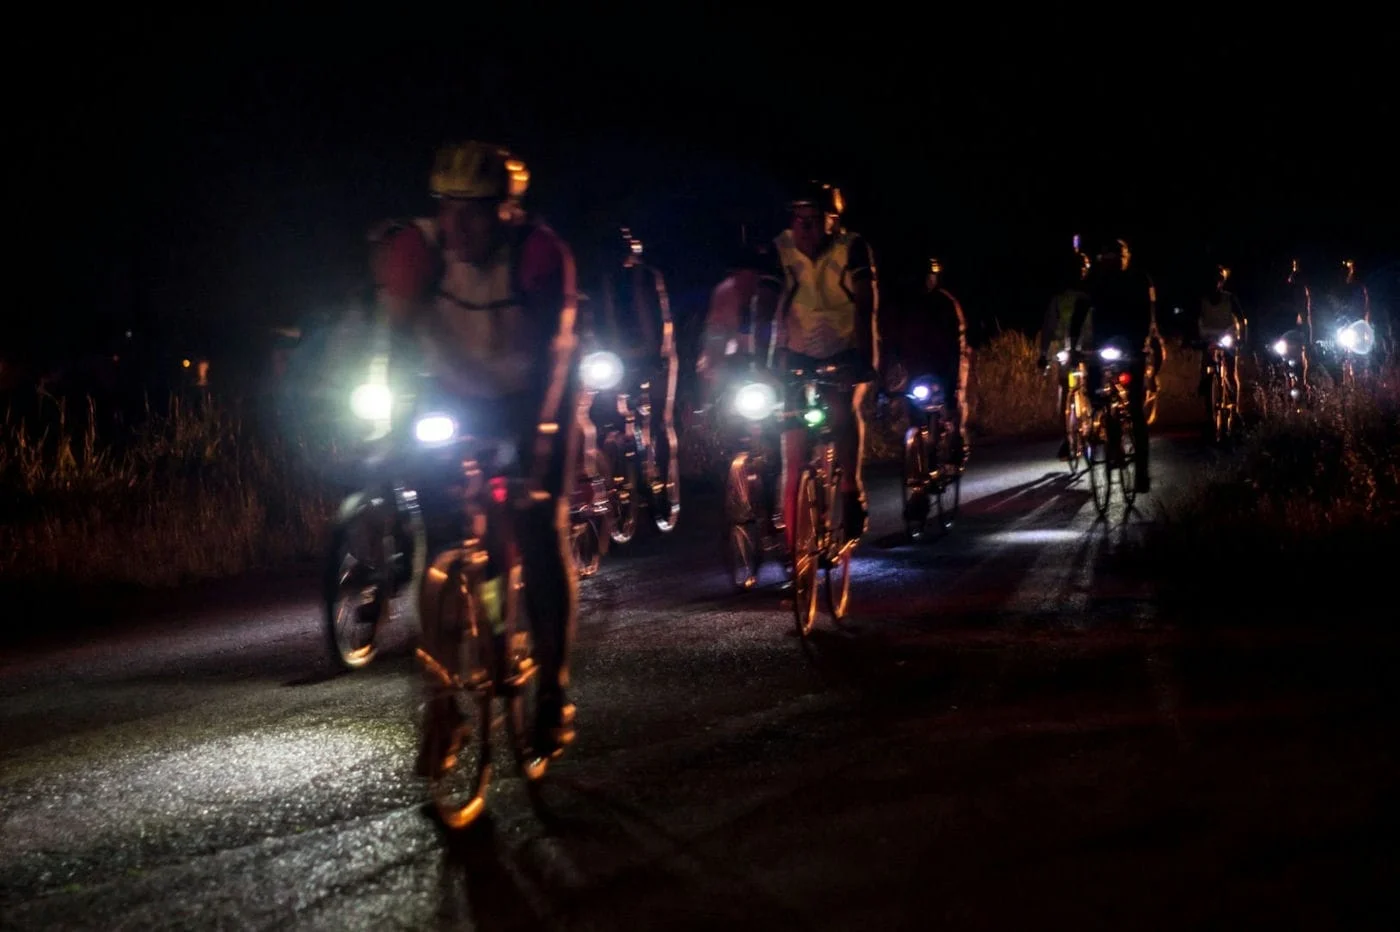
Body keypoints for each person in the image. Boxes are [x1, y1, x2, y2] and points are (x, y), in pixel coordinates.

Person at [375, 140, 579, 779]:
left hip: (528, 396)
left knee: (539, 530)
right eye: (447, 209)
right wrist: (384, 424)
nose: (458, 226)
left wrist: (540, 441)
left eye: (474, 212)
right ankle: (443, 706)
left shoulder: (540, 254)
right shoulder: (418, 250)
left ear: (506, 213)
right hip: (450, 393)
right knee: (437, 539)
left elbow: (557, 357)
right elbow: (390, 339)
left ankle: (553, 688)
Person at [754, 180, 879, 546]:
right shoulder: (779, 249)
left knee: (842, 411)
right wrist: (759, 360)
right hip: (796, 348)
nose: (804, 228)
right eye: (798, 219)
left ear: (832, 221)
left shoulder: (852, 247)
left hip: (844, 346)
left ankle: (850, 490)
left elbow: (866, 303)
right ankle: (793, 525)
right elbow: (764, 306)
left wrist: (866, 359)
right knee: (790, 429)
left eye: (814, 219)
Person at [586, 228, 680, 524]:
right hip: (616, 359)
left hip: (651, 356)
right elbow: (591, 323)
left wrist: (660, 355)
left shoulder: (648, 277)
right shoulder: (598, 283)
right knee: (605, 414)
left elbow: (663, 319)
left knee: (660, 420)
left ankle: (663, 483)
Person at [1071, 235, 1154, 493]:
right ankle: (1109, 437)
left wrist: (1141, 343)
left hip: (1132, 346)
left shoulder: (1140, 280)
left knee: (1136, 410)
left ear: (1126, 260)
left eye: (1119, 258)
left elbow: (1146, 316)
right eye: (1109, 259)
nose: (1114, 263)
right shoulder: (1094, 282)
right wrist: (1073, 346)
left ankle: (1141, 471)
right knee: (1098, 396)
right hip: (1103, 346)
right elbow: (1079, 312)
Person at [884, 256, 970, 465]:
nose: (925, 281)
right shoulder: (907, 304)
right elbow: (893, 338)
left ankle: (956, 436)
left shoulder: (946, 303)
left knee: (954, 399)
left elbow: (958, 341)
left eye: (930, 276)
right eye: (922, 277)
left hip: (944, 365)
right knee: (913, 409)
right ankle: (919, 469)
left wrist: (955, 380)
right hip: (917, 368)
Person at [1038, 245, 1093, 459]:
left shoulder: (1090, 295)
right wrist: (1043, 354)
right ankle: (1067, 438)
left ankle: (1097, 423)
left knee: (1094, 387)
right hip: (1067, 351)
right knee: (1066, 390)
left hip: (1087, 350)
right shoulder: (1059, 300)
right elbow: (1049, 327)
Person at [1194, 264, 1246, 406]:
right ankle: (1205, 386)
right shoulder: (1202, 300)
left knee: (1230, 372)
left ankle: (1234, 406)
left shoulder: (1229, 298)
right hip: (1208, 337)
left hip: (1227, 336)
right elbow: (1195, 319)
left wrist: (1242, 338)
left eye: (1218, 279)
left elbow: (1241, 319)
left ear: (1222, 282)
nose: (1215, 283)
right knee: (1205, 363)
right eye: (1212, 279)